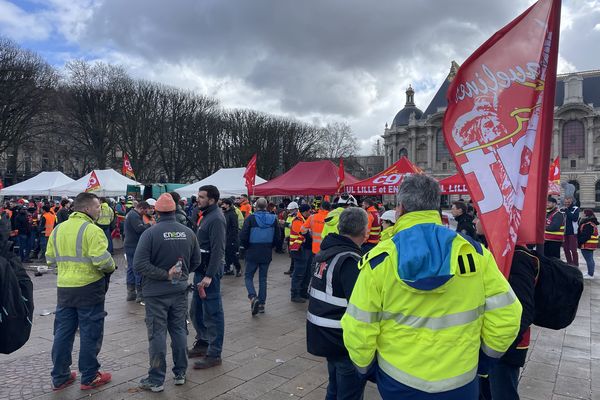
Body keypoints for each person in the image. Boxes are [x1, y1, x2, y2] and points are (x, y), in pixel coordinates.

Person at [341, 174, 522, 399]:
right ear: (436, 205)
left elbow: (359, 326)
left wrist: (366, 368)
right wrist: (484, 361)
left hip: (398, 379)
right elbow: (508, 315)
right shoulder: (475, 253)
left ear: (401, 208)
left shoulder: (379, 260)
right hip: (461, 379)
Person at [45, 192, 116, 391]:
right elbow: (102, 260)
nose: (99, 210)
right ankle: (90, 376)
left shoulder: (59, 228)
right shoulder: (92, 230)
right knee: (90, 333)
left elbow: (50, 258)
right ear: (86, 208)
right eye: (97, 207)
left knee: (62, 332)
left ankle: (60, 376)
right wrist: (111, 266)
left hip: (65, 288)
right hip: (89, 288)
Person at [134, 193, 201, 392]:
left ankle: (156, 379)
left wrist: (165, 275)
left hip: (156, 293)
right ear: (175, 210)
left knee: (157, 335)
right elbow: (196, 261)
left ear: (157, 212)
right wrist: (180, 274)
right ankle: (180, 373)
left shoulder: (150, 233)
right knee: (179, 331)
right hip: (179, 291)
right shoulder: (188, 232)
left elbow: (139, 264)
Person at [306, 207, 369, 400]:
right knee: (348, 393)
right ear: (364, 231)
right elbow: (361, 305)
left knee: (334, 387)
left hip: (322, 333)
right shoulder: (351, 260)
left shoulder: (326, 252)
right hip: (342, 338)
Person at [473, 219, 537, 400]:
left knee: (502, 393)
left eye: (480, 216)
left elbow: (523, 308)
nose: (477, 220)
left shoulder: (516, 256)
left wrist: (502, 344)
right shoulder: (495, 251)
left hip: (506, 345)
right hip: (490, 341)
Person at [189, 185, 226, 369]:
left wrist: (210, 275)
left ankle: (214, 353)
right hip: (200, 271)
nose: (198, 199)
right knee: (195, 311)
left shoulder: (216, 218)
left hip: (208, 275)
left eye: (202, 197)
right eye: (198, 196)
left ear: (212, 200)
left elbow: (218, 249)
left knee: (213, 314)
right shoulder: (205, 215)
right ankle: (203, 342)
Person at [239, 198, 281, 315]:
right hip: (266, 251)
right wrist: (271, 246)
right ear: (267, 206)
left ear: (256, 206)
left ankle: (253, 297)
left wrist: (246, 247)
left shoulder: (251, 219)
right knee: (263, 278)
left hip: (252, 250)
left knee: (248, 276)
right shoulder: (273, 219)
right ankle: (262, 304)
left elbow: (243, 235)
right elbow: (278, 237)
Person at [124, 201, 152, 302]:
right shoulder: (134, 216)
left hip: (129, 245)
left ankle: (131, 293)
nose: (145, 213)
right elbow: (139, 229)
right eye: (145, 210)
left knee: (131, 268)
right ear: (141, 208)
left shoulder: (130, 214)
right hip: (134, 246)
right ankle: (140, 294)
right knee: (138, 268)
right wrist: (149, 225)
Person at [289, 204, 313, 303]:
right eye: (309, 211)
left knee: (307, 272)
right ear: (305, 211)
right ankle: (295, 294)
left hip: (306, 249)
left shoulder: (304, 219)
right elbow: (304, 233)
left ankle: (303, 292)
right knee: (299, 273)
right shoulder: (297, 220)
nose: (310, 212)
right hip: (298, 249)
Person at [221, 198, 242, 277]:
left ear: (227, 205)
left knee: (232, 255)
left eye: (223, 204)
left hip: (231, 239)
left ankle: (238, 268)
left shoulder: (232, 214)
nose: (222, 205)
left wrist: (232, 239)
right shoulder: (226, 213)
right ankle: (229, 269)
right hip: (226, 238)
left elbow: (234, 228)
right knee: (227, 254)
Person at [578, 209, 598, 279]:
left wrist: (580, 241)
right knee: (590, 259)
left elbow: (586, 235)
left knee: (589, 259)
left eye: (583, 213)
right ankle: (590, 272)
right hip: (589, 244)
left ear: (586, 215)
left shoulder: (588, 224)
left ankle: (590, 274)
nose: (581, 214)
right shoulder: (590, 223)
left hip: (587, 244)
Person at [561, 196, 580, 266]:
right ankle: (569, 262)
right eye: (565, 202)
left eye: (568, 202)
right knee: (565, 249)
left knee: (573, 250)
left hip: (572, 232)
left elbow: (574, 218)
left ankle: (575, 264)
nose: (567, 204)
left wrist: (567, 211)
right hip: (564, 232)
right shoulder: (562, 209)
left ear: (572, 202)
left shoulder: (575, 209)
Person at [283, 202, 299, 275]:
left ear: (296, 209)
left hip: (294, 238)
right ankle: (292, 269)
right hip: (289, 237)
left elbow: (293, 226)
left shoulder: (297, 217)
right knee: (292, 255)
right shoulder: (290, 216)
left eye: (291, 209)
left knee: (294, 255)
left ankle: (294, 270)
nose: (289, 211)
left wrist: (285, 223)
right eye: (289, 210)